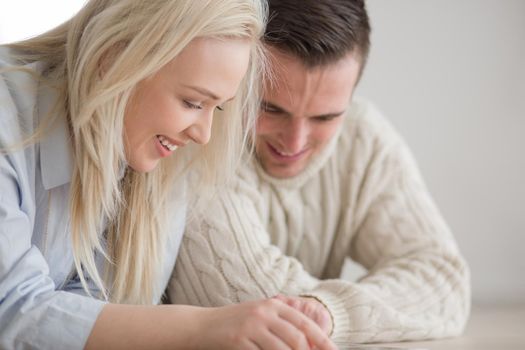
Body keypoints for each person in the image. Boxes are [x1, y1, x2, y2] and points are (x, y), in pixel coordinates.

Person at [0, 1, 337, 349]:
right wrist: (201, 327)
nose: (203, 134)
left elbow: (97, 315)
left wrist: (304, 315)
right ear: (113, 60)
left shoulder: (150, 159)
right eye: (193, 103)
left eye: (217, 106)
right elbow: (12, 311)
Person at [168, 0, 471, 346]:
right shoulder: (202, 135)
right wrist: (348, 313)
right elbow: (243, 297)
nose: (295, 141)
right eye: (270, 108)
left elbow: (444, 279)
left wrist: (331, 311)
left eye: (325, 117)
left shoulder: (363, 138)